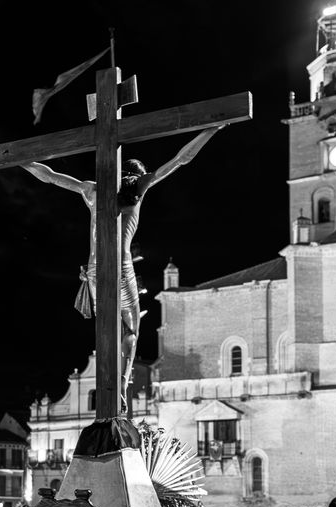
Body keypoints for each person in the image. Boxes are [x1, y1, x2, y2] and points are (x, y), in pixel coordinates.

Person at [24, 127, 221, 410]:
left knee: (107, 328)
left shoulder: (90, 189)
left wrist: (21, 161)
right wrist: (211, 130)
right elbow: (180, 159)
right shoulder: (138, 187)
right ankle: (122, 382)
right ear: (138, 174)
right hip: (120, 265)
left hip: (94, 268)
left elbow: (50, 176)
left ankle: (108, 383)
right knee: (131, 328)